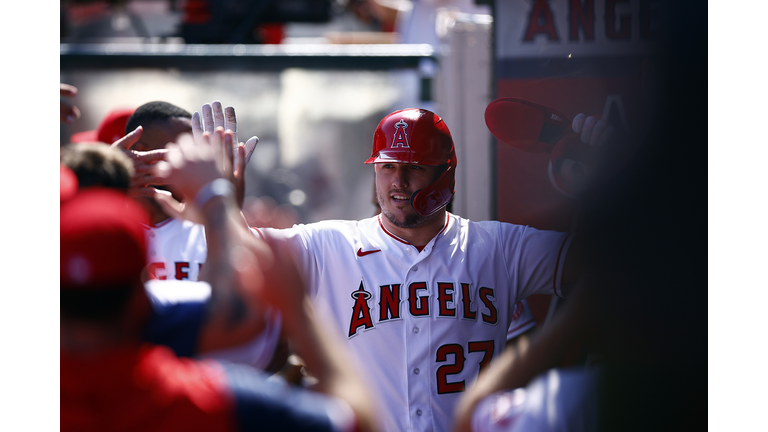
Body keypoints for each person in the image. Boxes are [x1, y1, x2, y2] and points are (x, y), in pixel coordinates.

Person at [255, 108, 584, 432]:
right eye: (387, 167)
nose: (398, 181)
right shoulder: (329, 245)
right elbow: (233, 255)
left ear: (445, 175)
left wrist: (611, 170)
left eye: (414, 167)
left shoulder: (499, 247)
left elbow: (608, 266)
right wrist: (221, 197)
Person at [61, 132, 377, 432]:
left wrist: (93, 177)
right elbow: (355, 420)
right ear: (146, 289)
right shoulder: (211, 401)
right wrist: (298, 312)